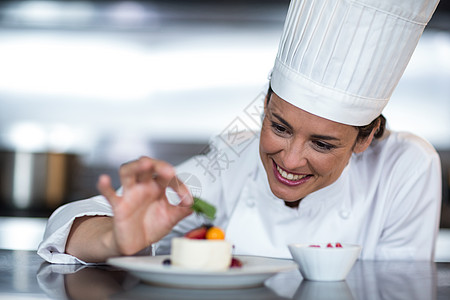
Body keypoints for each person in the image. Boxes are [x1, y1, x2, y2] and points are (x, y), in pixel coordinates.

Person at [38, 0, 442, 264]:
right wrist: (117, 242)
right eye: (279, 127)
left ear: (364, 139)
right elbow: (73, 224)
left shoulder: (405, 168)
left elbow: (398, 291)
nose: (289, 159)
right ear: (264, 107)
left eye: (322, 143)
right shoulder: (234, 157)